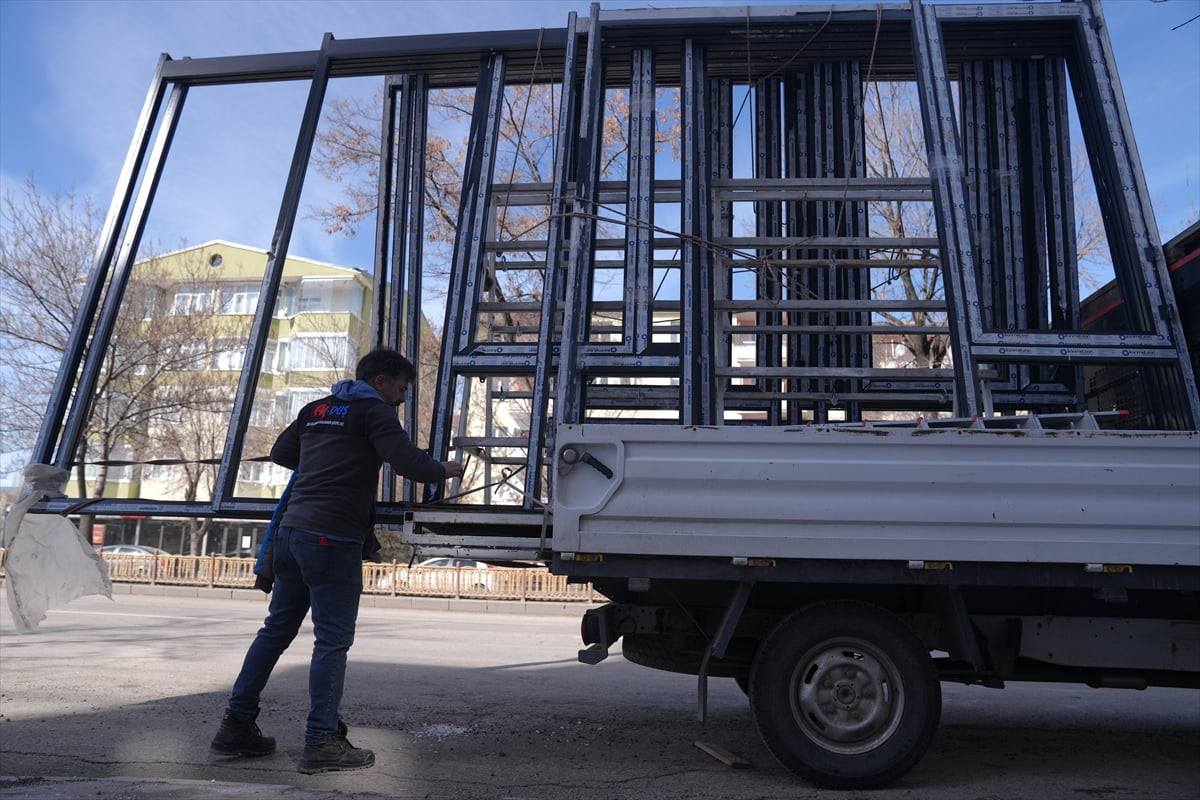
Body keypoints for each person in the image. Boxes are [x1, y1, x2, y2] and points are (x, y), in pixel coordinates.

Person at [210, 348, 464, 774]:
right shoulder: (374, 411)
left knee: (275, 632)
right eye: (401, 389)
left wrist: (327, 458)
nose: (402, 398)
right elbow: (408, 463)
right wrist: (446, 469)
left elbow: (281, 453)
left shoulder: (317, 409)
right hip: (332, 538)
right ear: (380, 382)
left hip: (291, 533)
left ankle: (235, 725)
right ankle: (321, 741)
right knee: (331, 641)